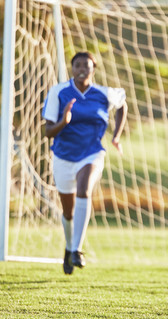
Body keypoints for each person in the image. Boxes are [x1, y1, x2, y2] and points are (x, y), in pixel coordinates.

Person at [43, 51, 127, 275]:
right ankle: (69, 248)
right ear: (72, 68)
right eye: (77, 65)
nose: (81, 68)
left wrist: (116, 135)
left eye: (86, 65)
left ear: (93, 69)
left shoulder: (103, 93)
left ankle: (77, 250)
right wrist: (64, 121)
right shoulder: (58, 92)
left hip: (92, 153)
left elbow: (122, 104)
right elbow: (48, 131)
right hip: (63, 156)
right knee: (68, 212)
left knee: (84, 189)